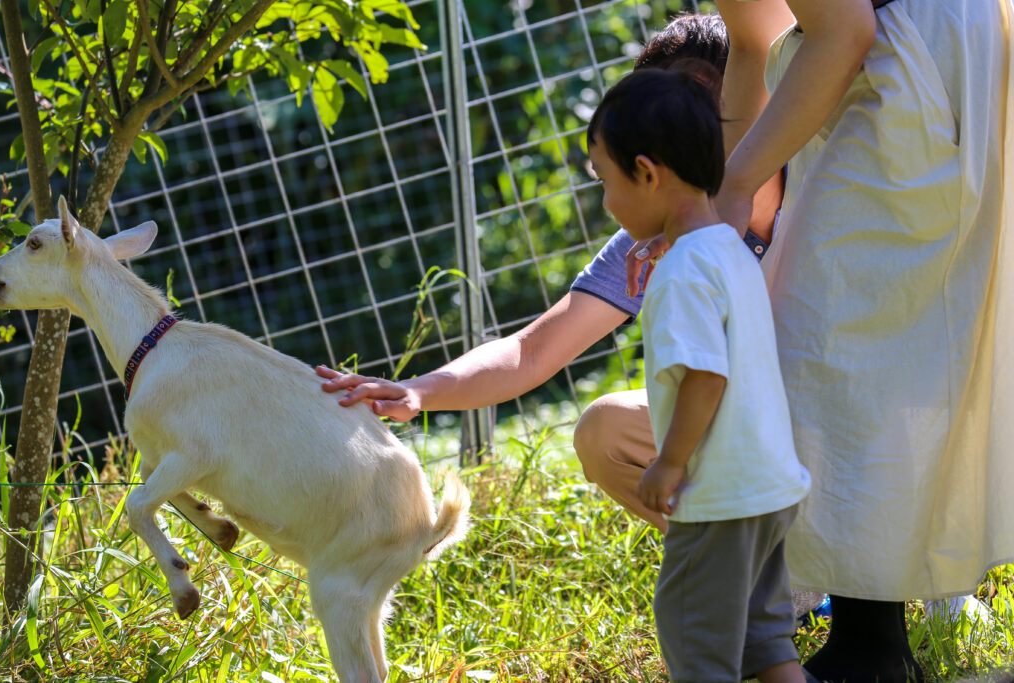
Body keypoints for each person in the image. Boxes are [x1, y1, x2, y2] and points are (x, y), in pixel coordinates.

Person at [316, 11, 790, 534]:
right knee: (604, 430)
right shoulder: (654, 243)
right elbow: (531, 352)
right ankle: (756, 568)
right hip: (761, 428)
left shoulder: (824, 191)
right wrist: (419, 390)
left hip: (838, 411)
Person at [698, 0, 1014, 681]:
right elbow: (754, 40)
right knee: (843, 344)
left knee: (831, 344)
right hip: (883, 59)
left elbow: (845, 30)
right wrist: (727, 200)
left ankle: (871, 647)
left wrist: (739, 181)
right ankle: (872, 638)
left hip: (907, 61)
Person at [587, 66, 811, 683]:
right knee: (765, 639)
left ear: (648, 172)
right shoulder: (727, 250)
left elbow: (705, 377)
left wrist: (670, 463)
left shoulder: (682, 271)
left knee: (693, 634)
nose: (605, 200)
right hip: (770, 486)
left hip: (721, 495)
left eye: (604, 180)